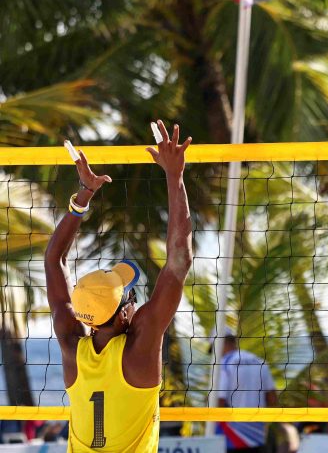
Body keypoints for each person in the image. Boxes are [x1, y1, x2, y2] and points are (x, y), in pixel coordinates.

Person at [44, 120, 193, 452]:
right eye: (132, 297)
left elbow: (55, 261)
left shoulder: (73, 345)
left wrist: (83, 196)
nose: (137, 304)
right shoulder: (138, 351)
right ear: (126, 313)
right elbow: (179, 259)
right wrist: (174, 176)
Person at [215, 332, 277, 453]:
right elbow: (272, 398)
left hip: (232, 435)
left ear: (220, 344)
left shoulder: (224, 363)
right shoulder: (260, 362)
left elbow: (219, 400)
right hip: (258, 434)